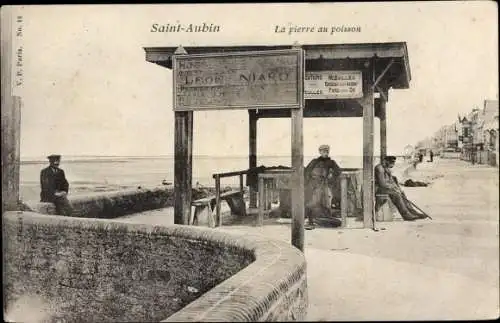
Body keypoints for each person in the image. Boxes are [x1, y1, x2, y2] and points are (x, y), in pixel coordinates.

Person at [374, 156, 426, 221]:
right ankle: (406, 215)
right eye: (392, 162)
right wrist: (393, 188)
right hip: (379, 188)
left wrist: (397, 188)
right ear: (386, 161)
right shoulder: (379, 168)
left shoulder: (387, 168)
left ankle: (413, 212)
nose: (393, 164)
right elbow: (382, 184)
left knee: (401, 193)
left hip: (386, 188)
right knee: (396, 194)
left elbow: (391, 181)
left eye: (394, 162)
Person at [304, 144, 342, 229]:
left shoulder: (331, 162)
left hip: (324, 184)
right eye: (323, 151)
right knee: (312, 202)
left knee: (327, 203)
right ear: (320, 152)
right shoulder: (314, 161)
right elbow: (307, 171)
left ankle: (323, 220)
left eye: (326, 151)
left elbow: (338, 171)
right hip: (313, 185)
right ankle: (310, 222)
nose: (325, 153)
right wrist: (309, 182)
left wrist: (331, 176)